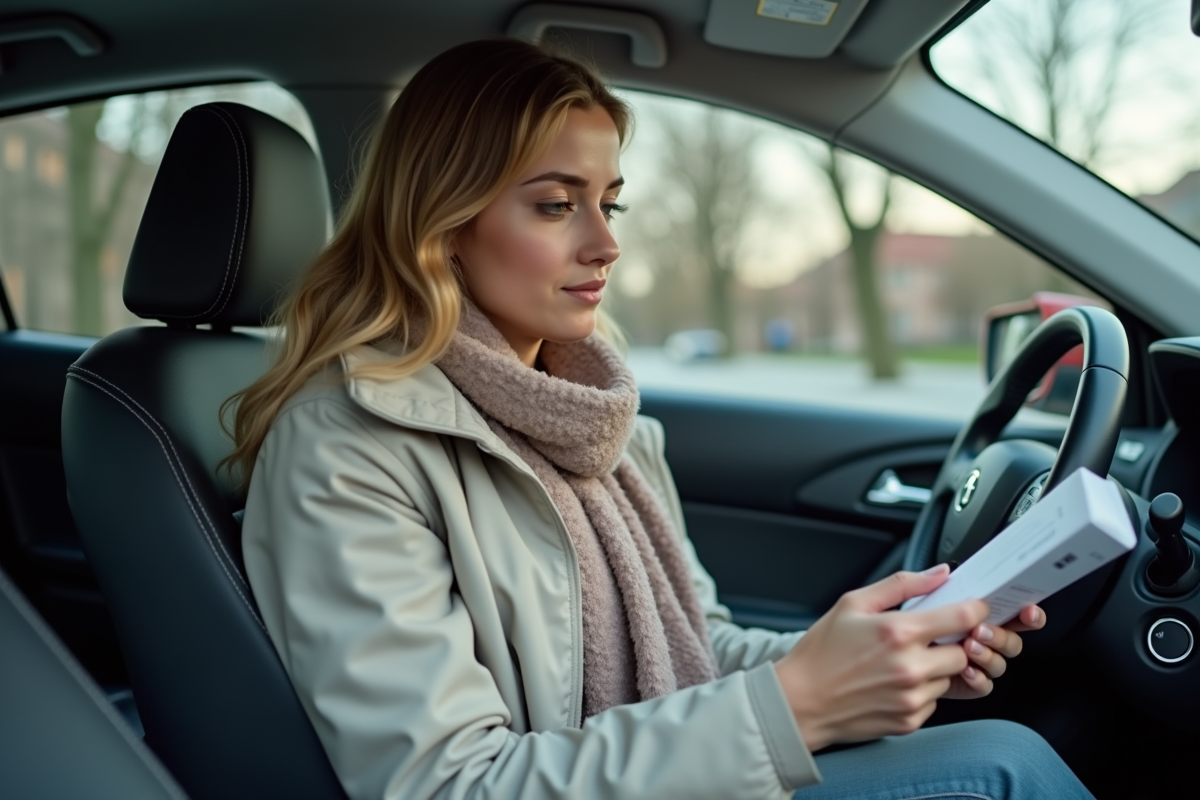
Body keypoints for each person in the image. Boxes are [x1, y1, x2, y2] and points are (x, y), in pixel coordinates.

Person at [226, 38, 1095, 800]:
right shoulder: (346, 446)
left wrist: (877, 661)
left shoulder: (598, 422)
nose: (605, 243)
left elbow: (689, 648)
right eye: (557, 204)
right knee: (1001, 768)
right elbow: (448, 783)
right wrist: (800, 704)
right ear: (444, 224)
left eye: (613, 202)